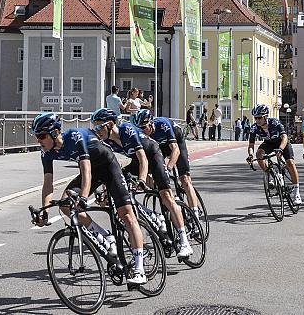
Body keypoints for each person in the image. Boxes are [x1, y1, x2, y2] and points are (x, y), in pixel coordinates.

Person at [31, 113, 146, 284]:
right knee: (66, 205)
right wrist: (45, 212)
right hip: (92, 172)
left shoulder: (75, 137)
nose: (38, 140)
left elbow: (86, 172)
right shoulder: (45, 152)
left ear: (55, 133)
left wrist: (84, 198)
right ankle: (105, 236)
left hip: (108, 167)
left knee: (126, 214)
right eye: (36, 136)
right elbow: (48, 183)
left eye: (41, 136)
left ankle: (139, 268)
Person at [90, 108, 193, 259]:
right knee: (121, 191)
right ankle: (154, 216)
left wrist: (142, 181)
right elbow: (109, 168)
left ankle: (185, 242)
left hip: (153, 156)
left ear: (110, 124)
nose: (96, 131)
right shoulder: (106, 141)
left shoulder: (127, 130)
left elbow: (143, 158)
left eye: (99, 127)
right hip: (136, 162)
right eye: (94, 127)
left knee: (166, 196)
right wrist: (106, 190)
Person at [133, 110, 202, 221]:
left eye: (144, 127)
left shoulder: (162, 124)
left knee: (185, 179)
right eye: (139, 128)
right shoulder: (143, 135)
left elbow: (175, 150)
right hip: (160, 146)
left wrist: (168, 168)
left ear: (151, 123)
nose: (142, 131)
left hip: (176, 141)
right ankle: (172, 201)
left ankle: (195, 215)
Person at [247, 105, 302, 204]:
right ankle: (271, 174)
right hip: (269, 143)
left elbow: (285, 137)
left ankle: (297, 193)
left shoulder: (275, 122)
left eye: (259, 117)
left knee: (290, 163)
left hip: (281, 142)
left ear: (265, 116)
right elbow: (251, 145)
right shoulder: (254, 128)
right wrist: (250, 155)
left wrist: (280, 149)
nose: (257, 120)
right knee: (259, 154)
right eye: (255, 118)